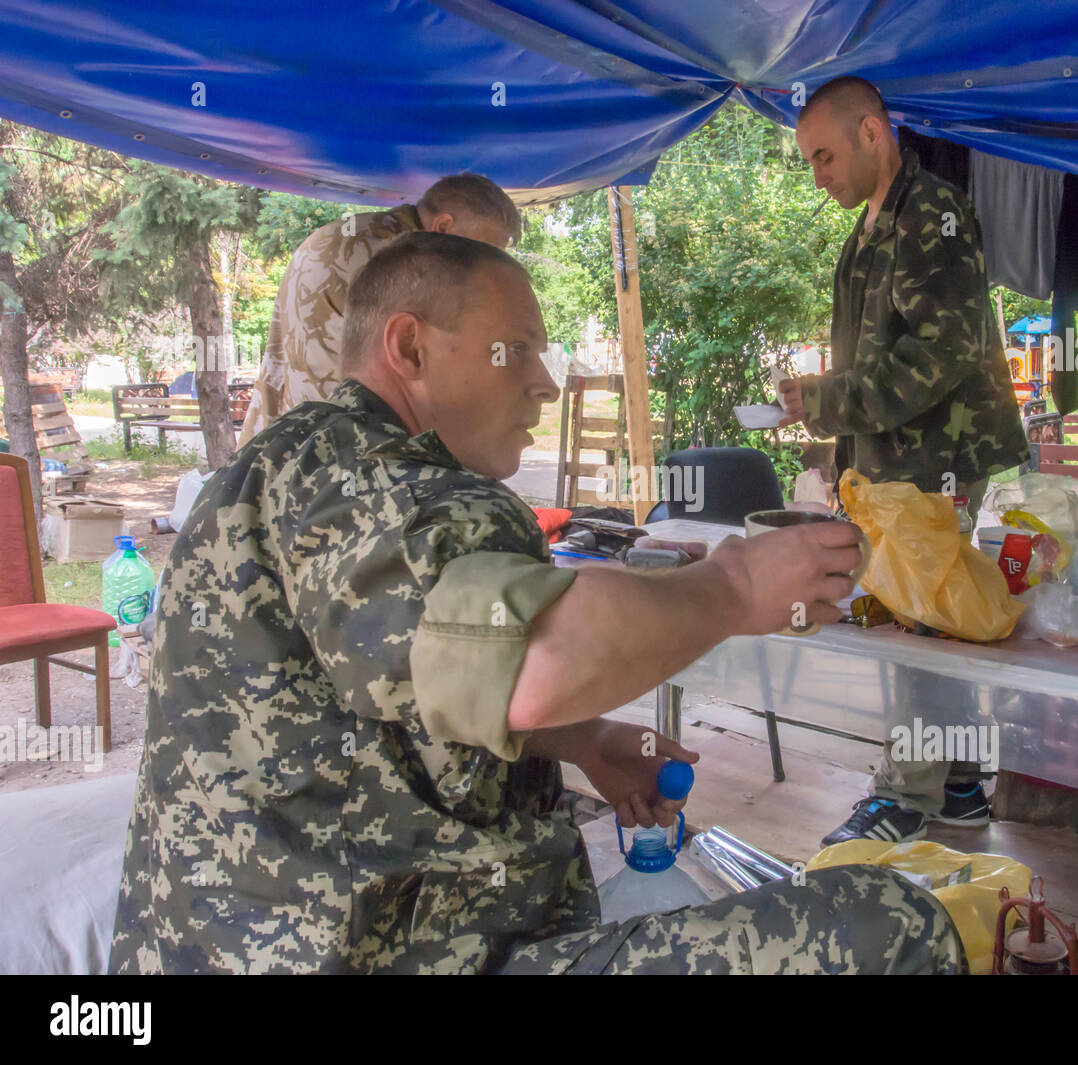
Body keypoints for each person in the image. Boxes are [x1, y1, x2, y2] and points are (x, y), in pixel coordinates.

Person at [110, 232, 965, 975]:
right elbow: (535, 657)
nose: (544, 385)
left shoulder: (270, 471)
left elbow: (385, 683)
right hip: (402, 952)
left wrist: (582, 737)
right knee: (893, 922)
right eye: (514, 351)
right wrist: (735, 585)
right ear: (409, 348)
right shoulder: (399, 487)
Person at [779, 77, 1029, 849]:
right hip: (894, 458)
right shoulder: (867, 233)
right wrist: (834, 449)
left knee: (920, 619)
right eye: (809, 161)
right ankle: (956, 784)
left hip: (942, 451)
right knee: (930, 613)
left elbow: (941, 351)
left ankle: (904, 794)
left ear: (872, 133)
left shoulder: (935, 212)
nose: (818, 174)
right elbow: (872, 355)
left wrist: (824, 402)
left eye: (824, 154)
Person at [236, 173, 520, 445]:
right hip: (341, 447)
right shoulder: (405, 260)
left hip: (286, 437)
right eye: (480, 251)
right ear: (443, 227)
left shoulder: (348, 233)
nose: (481, 266)